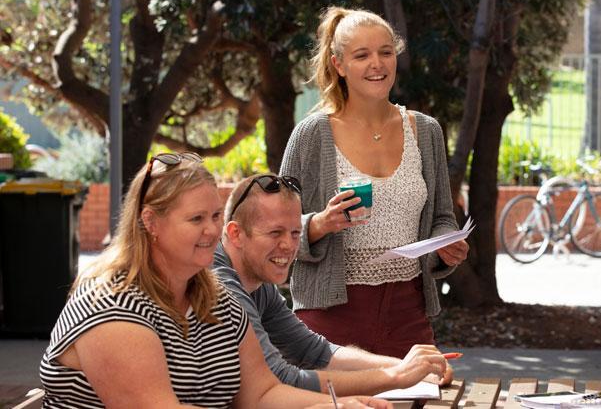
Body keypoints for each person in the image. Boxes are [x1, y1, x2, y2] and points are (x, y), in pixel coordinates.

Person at [39, 153, 389, 408]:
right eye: (195, 219)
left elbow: (263, 393)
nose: (212, 230)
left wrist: (332, 406)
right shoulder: (112, 306)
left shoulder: (217, 296)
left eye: (215, 216)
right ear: (151, 222)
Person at [279, 6, 468, 358]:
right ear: (339, 65)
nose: (377, 64)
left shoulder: (425, 131)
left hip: (408, 313)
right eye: (362, 55)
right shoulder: (311, 135)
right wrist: (319, 224)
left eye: (385, 52)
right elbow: (274, 229)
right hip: (330, 319)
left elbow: (442, 216)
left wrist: (446, 244)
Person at [213, 173, 453, 396]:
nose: (288, 245)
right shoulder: (221, 284)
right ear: (235, 234)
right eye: (275, 233)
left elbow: (311, 350)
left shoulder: (257, 280)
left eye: (296, 233)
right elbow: (278, 379)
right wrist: (395, 375)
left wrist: (412, 367)